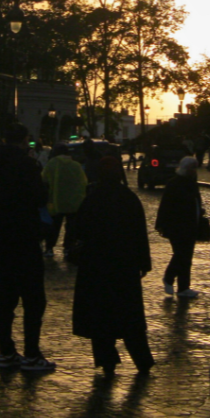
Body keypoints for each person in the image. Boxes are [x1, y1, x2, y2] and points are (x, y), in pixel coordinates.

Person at [0, 124, 55, 371]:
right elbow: (39, 197)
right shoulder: (26, 164)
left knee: (6, 295)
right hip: (25, 233)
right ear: (24, 140)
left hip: (2, 234)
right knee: (34, 297)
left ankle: (6, 351)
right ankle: (32, 353)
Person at [71, 156, 154, 376]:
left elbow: (79, 230)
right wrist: (144, 262)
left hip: (96, 265)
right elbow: (139, 233)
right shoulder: (128, 198)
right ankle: (142, 360)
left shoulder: (92, 199)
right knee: (130, 315)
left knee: (100, 315)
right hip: (124, 265)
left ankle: (107, 360)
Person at [155, 156, 205, 299]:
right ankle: (170, 278)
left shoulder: (190, 183)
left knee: (185, 256)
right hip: (178, 226)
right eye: (193, 168)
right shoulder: (176, 184)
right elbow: (166, 205)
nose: (195, 171)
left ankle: (183, 287)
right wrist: (161, 224)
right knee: (181, 255)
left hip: (190, 225)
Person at [42, 143, 88, 259]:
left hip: (55, 201)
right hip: (73, 201)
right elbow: (83, 182)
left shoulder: (52, 164)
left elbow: (44, 179)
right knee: (71, 227)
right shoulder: (76, 165)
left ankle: (49, 248)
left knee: (54, 226)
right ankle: (68, 247)